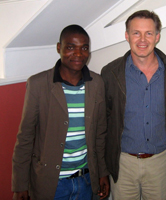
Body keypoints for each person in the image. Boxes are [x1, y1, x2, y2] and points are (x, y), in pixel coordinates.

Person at [12, 24, 109, 200]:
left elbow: (100, 135)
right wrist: (20, 185)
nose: (78, 54)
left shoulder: (97, 83)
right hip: (51, 183)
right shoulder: (38, 84)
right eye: (71, 47)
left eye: (84, 48)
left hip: (86, 180)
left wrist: (103, 172)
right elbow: (25, 138)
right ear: (59, 48)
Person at [101, 10, 166, 200]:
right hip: (123, 164)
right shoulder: (110, 73)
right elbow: (102, 125)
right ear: (126, 35)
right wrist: (103, 169)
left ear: (157, 37)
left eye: (148, 33)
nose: (142, 39)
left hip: (161, 164)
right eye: (136, 32)